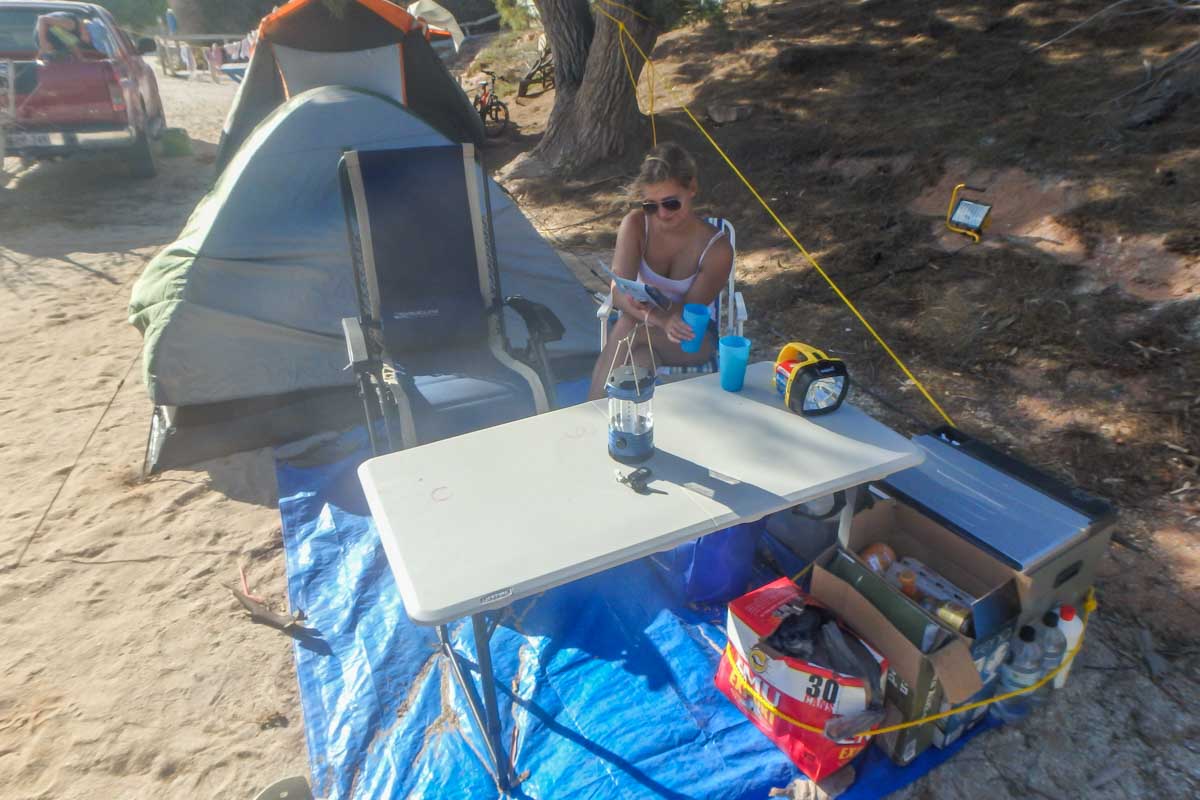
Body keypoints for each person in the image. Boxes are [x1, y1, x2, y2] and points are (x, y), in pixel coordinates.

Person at [588, 143, 734, 399]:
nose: (662, 214)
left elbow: (685, 317)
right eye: (651, 206)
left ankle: (590, 414)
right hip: (647, 327)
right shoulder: (636, 225)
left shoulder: (716, 249)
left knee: (627, 327)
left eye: (671, 203)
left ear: (692, 189)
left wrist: (650, 315)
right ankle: (628, 428)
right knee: (641, 358)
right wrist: (656, 318)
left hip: (691, 338)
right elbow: (618, 292)